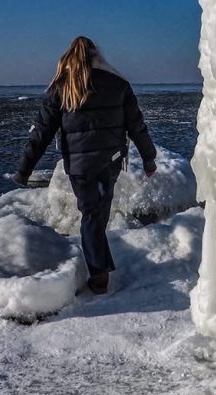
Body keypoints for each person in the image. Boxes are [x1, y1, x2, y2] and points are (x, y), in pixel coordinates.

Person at [14, 36, 157, 294]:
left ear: (69, 58)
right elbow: (137, 125)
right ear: (97, 56)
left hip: (80, 166)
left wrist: (25, 168)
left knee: (92, 215)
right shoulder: (118, 83)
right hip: (111, 161)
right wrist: (149, 157)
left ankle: (99, 274)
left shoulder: (62, 86)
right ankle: (100, 268)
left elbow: (42, 132)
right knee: (97, 214)